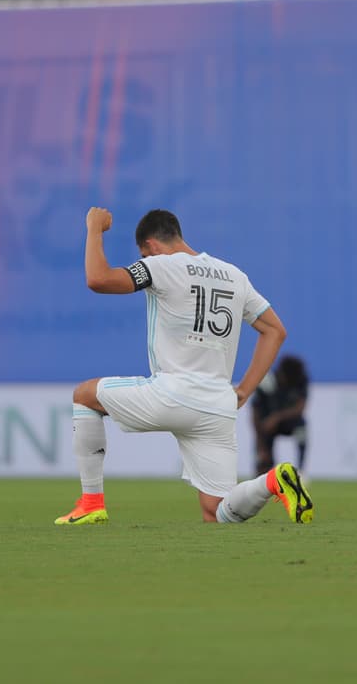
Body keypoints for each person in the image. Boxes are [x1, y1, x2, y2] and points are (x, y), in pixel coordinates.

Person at [55, 207, 313, 525]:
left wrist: (94, 229)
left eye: (144, 254)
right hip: (218, 406)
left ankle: (91, 502)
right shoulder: (234, 275)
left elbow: (98, 279)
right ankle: (272, 482)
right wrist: (244, 389)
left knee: (84, 396)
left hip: (171, 394)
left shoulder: (161, 265)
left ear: (151, 246)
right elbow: (275, 330)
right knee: (217, 512)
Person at [251, 354, 310, 477]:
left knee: (302, 428)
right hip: (266, 425)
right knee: (263, 449)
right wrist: (260, 446)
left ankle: (300, 472)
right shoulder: (267, 382)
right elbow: (255, 413)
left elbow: (300, 408)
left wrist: (276, 417)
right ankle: (264, 473)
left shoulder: (301, 379)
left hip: (289, 422)